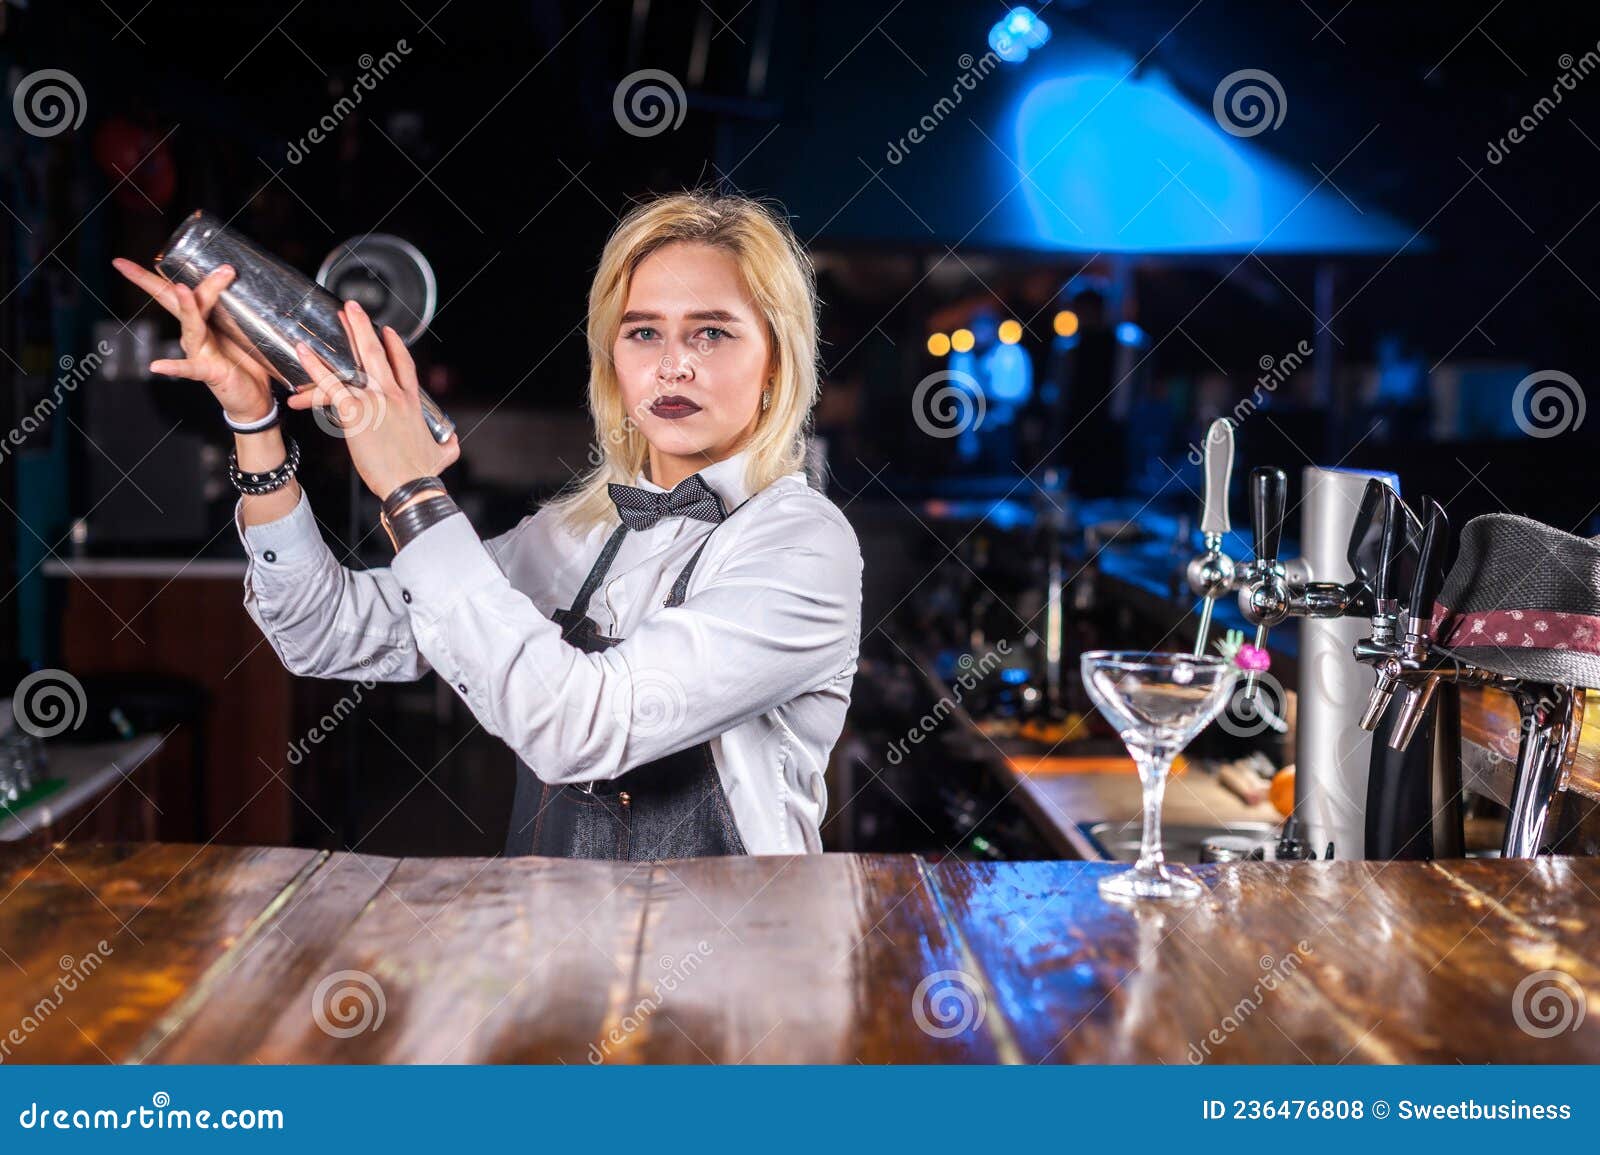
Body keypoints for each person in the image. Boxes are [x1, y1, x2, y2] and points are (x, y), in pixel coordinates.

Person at [112, 191, 863, 859]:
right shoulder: (572, 535)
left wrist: (410, 488)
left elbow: (581, 726)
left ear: (775, 363)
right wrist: (255, 419)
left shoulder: (801, 543)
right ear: (613, 359)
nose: (672, 366)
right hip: (556, 958)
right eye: (643, 333)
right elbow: (322, 630)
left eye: (712, 333)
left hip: (730, 986)